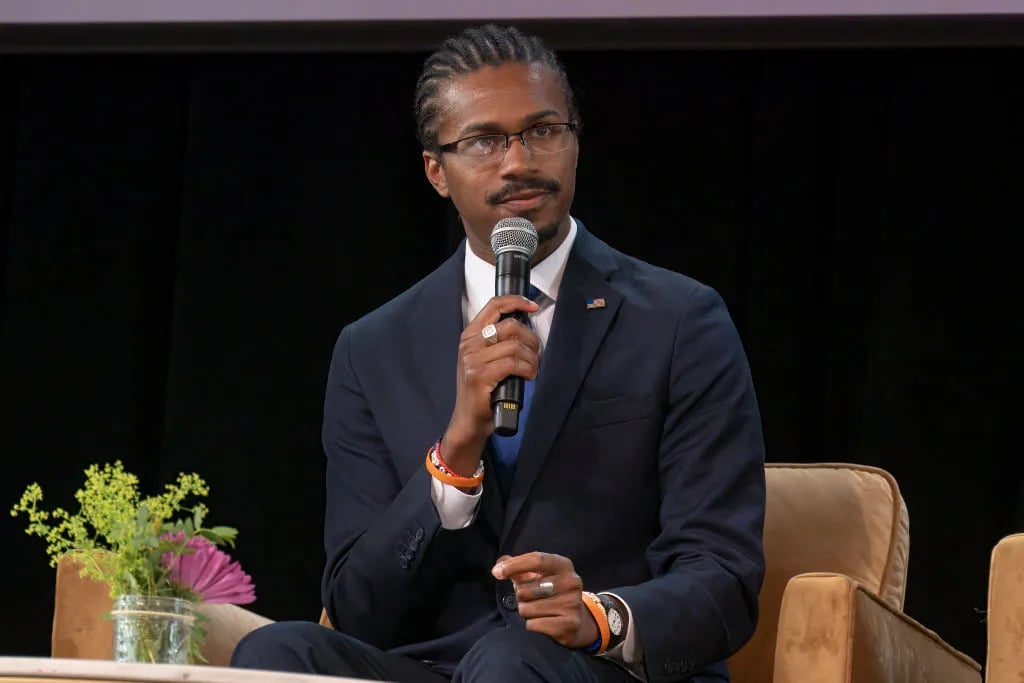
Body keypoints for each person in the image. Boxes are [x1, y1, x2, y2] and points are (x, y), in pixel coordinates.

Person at [231, 24, 765, 683]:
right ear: (436, 171)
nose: (518, 163)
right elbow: (357, 609)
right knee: (275, 654)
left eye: (542, 130)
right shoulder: (372, 349)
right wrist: (455, 453)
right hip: (435, 666)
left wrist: (601, 617)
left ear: (574, 143)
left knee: (510, 662)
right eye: (484, 141)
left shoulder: (680, 319)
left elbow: (724, 573)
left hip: (600, 668)